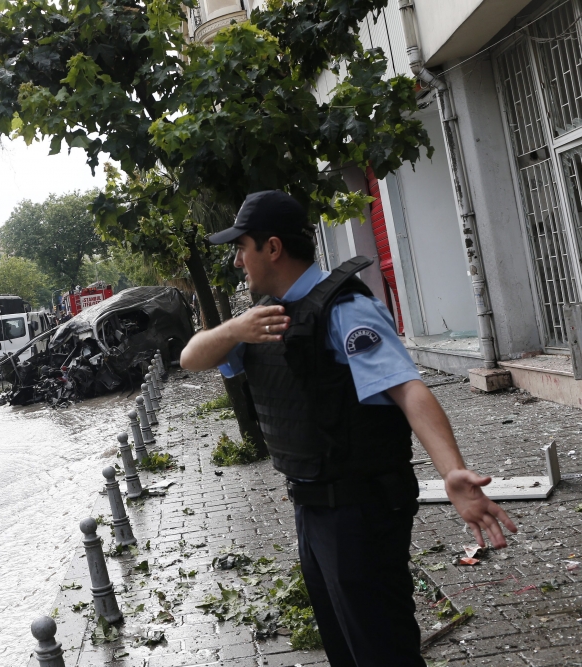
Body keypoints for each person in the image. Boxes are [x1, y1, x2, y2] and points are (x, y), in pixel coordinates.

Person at [180, 190, 517, 667]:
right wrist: (234, 330)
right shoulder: (265, 319)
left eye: (242, 247)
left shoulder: (344, 310)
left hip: (360, 510)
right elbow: (191, 358)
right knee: (346, 647)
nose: (238, 261)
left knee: (381, 649)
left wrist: (453, 472)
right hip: (314, 509)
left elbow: (408, 389)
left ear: (272, 248)